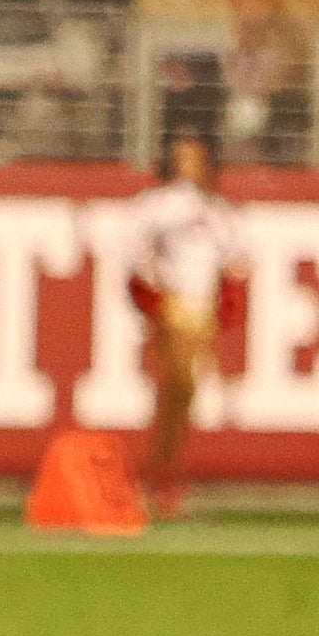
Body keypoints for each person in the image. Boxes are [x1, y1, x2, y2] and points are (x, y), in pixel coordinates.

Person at [128, 137, 249, 521]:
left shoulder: (215, 211)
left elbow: (236, 260)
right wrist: (155, 295)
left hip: (202, 311)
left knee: (182, 398)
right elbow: (135, 251)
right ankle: (159, 480)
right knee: (178, 388)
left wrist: (225, 305)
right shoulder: (157, 206)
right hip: (174, 307)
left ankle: (162, 479)